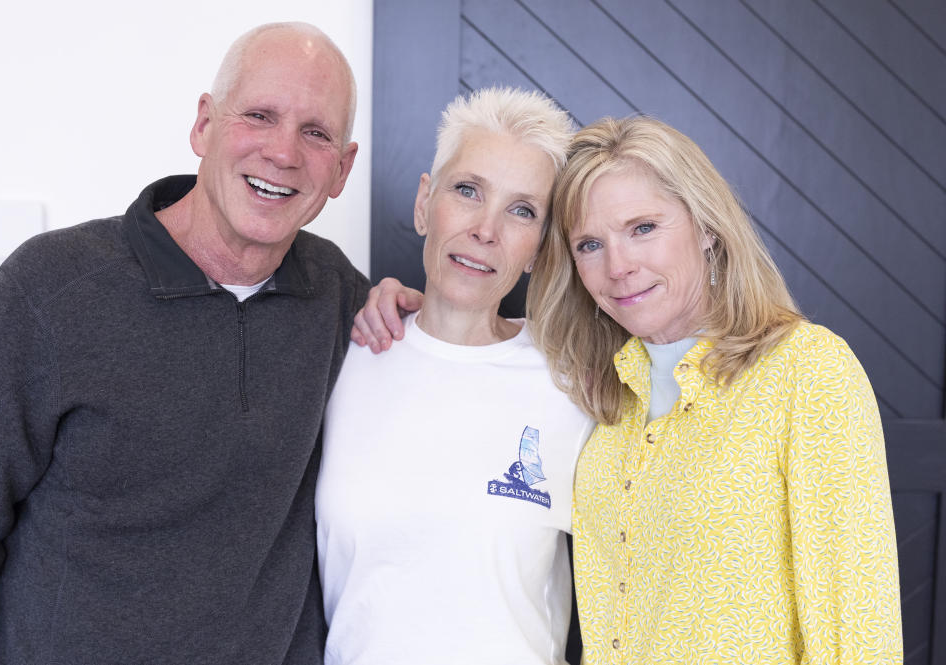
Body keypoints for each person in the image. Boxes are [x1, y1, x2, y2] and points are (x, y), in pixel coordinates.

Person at [0, 22, 365, 663]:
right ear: (204, 125)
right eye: (260, 115)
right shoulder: (49, 289)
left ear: (342, 169)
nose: (283, 152)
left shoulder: (342, 302)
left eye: (316, 133)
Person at [525, 116, 902, 663]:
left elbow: (858, 620)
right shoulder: (603, 395)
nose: (619, 266)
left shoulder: (806, 370)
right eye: (589, 244)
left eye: (643, 228)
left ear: (705, 226)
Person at [316, 87, 593, 665]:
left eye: (522, 210)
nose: (485, 230)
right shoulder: (341, 357)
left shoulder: (573, 380)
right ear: (424, 203)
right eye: (468, 191)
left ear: (541, 248)